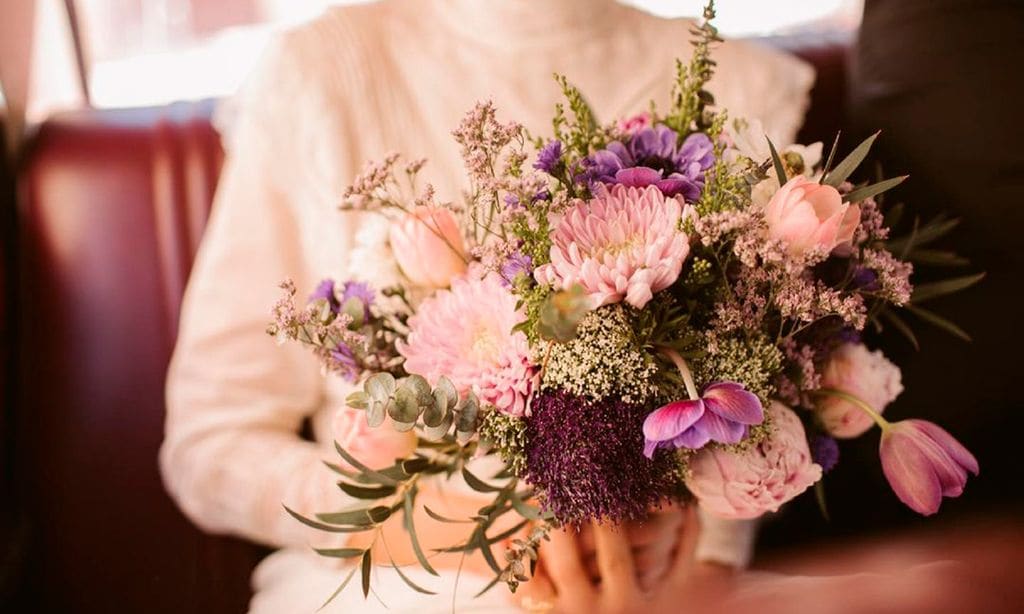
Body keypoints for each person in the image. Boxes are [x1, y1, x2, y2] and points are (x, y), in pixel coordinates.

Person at [158, 1, 815, 611]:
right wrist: (470, 531)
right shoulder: (321, 75)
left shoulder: (739, 85)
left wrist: (683, 544)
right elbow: (212, 447)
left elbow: (749, 422)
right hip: (392, 584)